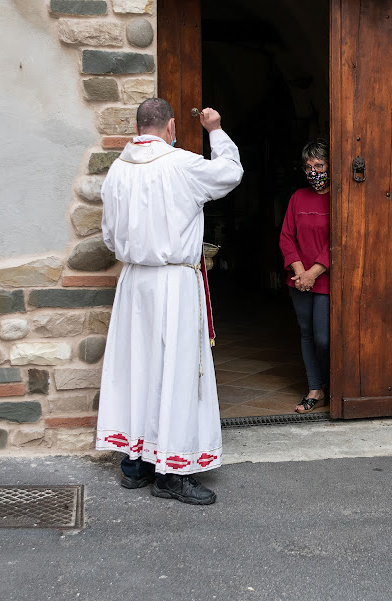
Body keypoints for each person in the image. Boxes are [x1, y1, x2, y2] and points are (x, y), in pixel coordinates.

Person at [96, 98, 243, 505]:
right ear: (171, 126)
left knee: (137, 369)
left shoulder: (117, 170)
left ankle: (135, 466)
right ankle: (172, 474)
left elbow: (109, 237)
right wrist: (215, 129)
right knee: (175, 372)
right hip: (173, 282)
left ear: (140, 126)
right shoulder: (181, 164)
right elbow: (230, 173)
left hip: (133, 283)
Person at [279, 139, 331, 413]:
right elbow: (287, 236)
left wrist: (313, 272)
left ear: (329, 166)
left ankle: (331, 381)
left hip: (324, 280)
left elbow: (336, 241)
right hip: (299, 280)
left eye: (319, 165)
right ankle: (315, 388)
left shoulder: (339, 198)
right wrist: (300, 272)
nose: (314, 171)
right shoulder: (297, 197)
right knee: (307, 334)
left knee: (323, 337)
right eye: (309, 166)